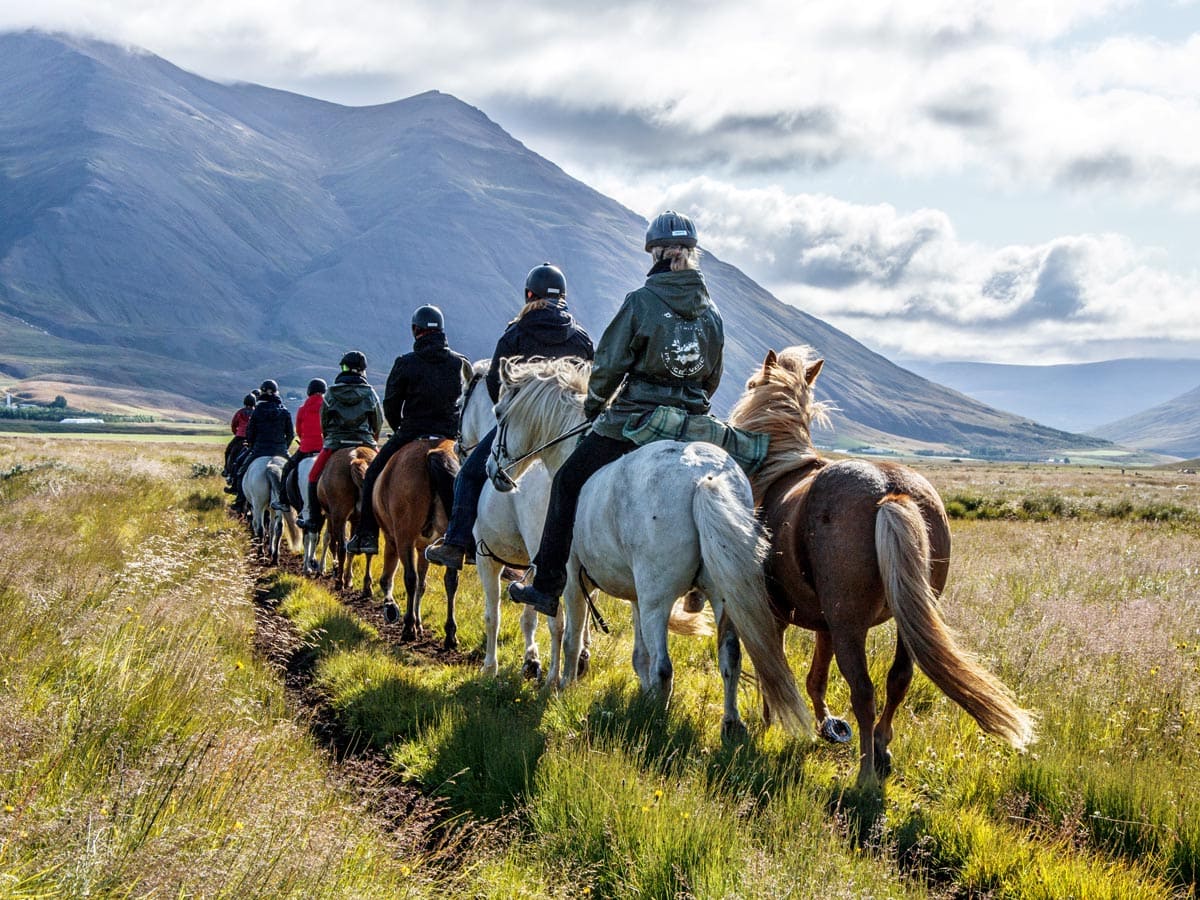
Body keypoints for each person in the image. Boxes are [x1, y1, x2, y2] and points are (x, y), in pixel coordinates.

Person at [509, 211, 723, 616]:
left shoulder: (640, 303)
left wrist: (594, 406)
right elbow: (712, 376)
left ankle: (547, 586)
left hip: (635, 420)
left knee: (568, 481)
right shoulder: (712, 314)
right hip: (690, 421)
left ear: (655, 253)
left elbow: (608, 365)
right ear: (691, 255)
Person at [425, 263, 593, 569]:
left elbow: (494, 383)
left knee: (469, 474)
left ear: (529, 294)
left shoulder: (515, 334)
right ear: (564, 296)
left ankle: (456, 543)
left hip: (522, 429)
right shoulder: (580, 336)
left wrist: (516, 413)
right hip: (568, 432)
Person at [345, 306, 472, 555]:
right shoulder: (460, 363)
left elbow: (391, 404)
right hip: (451, 435)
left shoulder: (406, 363)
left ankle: (367, 535)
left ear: (416, 330)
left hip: (412, 431)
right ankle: (469, 539)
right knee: (474, 478)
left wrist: (400, 430)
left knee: (371, 476)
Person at [297, 352, 384, 533]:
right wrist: (372, 441)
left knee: (313, 477)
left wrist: (329, 437)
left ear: (343, 368)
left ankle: (314, 519)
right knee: (385, 476)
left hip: (336, 443)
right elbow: (378, 421)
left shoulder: (331, 392)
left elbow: (324, 421)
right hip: (365, 442)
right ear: (363, 370)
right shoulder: (370, 393)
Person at [232, 380, 295, 512]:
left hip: (259, 450)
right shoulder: (284, 411)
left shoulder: (257, 411)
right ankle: (298, 505)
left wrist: (251, 444)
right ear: (276, 392)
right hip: (280, 450)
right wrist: (284, 447)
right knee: (295, 473)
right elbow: (290, 434)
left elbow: (250, 432)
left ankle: (239, 502)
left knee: (240, 469)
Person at [276, 378, 326, 511]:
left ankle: (283, 501)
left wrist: (304, 439)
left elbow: (298, 430)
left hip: (306, 448)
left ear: (309, 391)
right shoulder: (328, 406)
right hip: (325, 449)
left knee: (287, 468)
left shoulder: (303, 409)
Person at [222, 392, 257, 487]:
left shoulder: (240, 412)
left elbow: (234, 424)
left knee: (228, 451)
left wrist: (236, 432)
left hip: (240, 437)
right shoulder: (256, 412)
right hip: (253, 438)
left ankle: (227, 470)